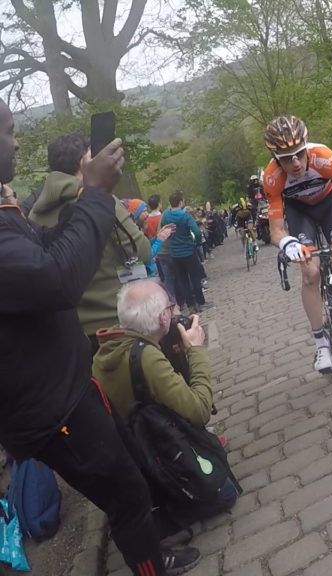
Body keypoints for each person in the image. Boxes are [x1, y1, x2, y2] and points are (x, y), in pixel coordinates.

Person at [0, 101, 199, 576]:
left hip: (67, 384)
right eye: (8, 131)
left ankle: (152, 540)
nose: (17, 141)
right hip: (49, 408)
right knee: (124, 491)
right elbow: (56, 281)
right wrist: (93, 196)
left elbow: (41, 250)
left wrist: (85, 205)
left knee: (126, 461)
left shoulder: (7, 203)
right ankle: (151, 565)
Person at [93, 279, 237, 535]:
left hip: (134, 456)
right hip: (158, 456)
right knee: (226, 493)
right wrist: (196, 350)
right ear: (162, 319)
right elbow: (199, 410)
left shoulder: (109, 347)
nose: (175, 312)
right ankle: (165, 522)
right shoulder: (145, 357)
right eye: (171, 308)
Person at [262, 115, 332, 373]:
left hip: (329, 204)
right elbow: (276, 230)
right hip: (300, 212)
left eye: (299, 154)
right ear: (276, 157)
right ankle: (321, 344)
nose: (296, 163)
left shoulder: (324, 157)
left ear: (306, 147)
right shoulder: (272, 177)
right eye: (287, 158)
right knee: (310, 273)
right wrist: (287, 243)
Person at [29, 132, 154, 348]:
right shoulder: (101, 200)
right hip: (118, 324)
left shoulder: (33, 215)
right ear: (83, 163)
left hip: (72, 338)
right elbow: (142, 251)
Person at [161, 191, 210, 314]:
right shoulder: (186, 216)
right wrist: (196, 243)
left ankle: (190, 305)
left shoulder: (166, 216)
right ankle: (201, 302)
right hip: (188, 251)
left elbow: (164, 230)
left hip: (174, 253)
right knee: (195, 277)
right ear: (181, 202)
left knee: (182, 280)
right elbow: (197, 232)